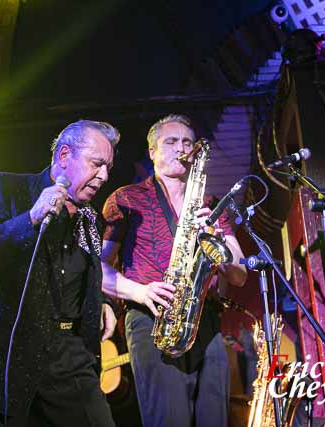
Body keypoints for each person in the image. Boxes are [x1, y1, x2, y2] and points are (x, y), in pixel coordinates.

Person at [0, 120, 120, 427]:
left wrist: (102, 301)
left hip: (67, 357)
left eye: (108, 168)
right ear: (64, 156)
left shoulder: (90, 217)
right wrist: (31, 217)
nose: (103, 176)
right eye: (97, 164)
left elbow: (83, 273)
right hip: (0, 358)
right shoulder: (6, 188)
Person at [101, 114, 248, 427]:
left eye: (187, 142)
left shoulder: (211, 204)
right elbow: (97, 268)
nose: (181, 148)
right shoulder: (127, 199)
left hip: (205, 321)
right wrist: (139, 291)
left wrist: (216, 236)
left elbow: (239, 274)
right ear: (152, 151)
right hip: (151, 319)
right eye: (171, 142)